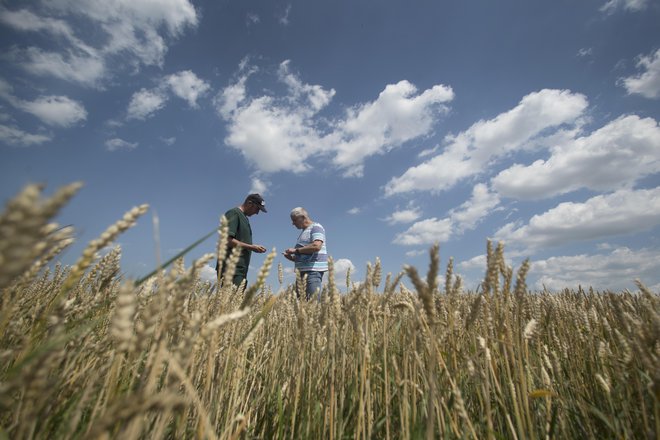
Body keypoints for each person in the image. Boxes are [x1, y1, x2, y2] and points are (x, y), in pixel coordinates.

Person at [216, 193, 268, 287]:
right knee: (229, 300)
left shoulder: (245, 218)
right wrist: (251, 247)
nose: (257, 213)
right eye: (257, 209)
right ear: (249, 203)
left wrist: (252, 247)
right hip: (231, 269)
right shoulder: (234, 213)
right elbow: (226, 240)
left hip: (240, 270)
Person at [283, 207, 328, 300]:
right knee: (301, 307)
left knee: (313, 305)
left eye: (294, 220)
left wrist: (295, 251)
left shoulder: (316, 227)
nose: (293, 223)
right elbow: (304, 256)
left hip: (312, 272)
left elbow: (316, 246)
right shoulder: (303, 232)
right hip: (301, 274)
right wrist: (291, 257)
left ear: (303, 217)